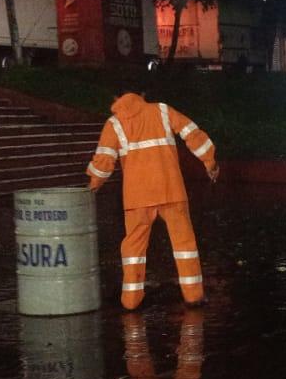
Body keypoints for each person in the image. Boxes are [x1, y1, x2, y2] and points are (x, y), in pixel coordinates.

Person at [87, 88, 218, 311]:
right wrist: (210, 162)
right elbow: (192, 133)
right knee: (184, 245)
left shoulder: (114, 124)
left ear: (116, 99)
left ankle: (131, 301)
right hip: (171, 190)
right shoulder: (163, 111)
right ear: (142, 94)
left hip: (137, 197)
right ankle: (194, 296)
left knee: (133, 250)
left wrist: (92, 186)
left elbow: (103, 161)